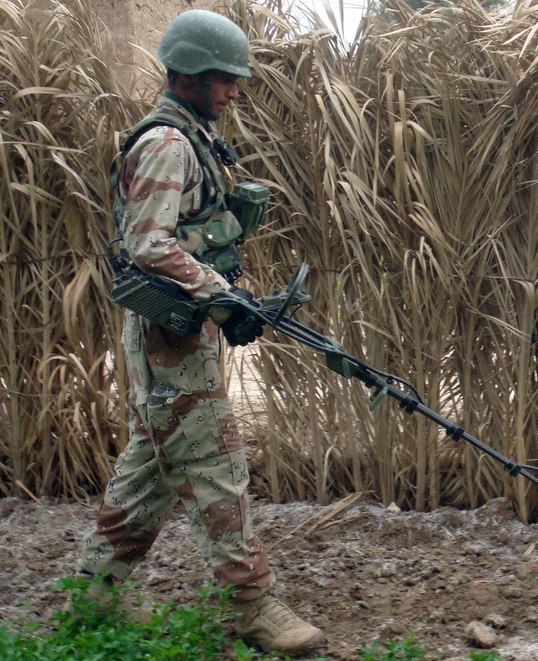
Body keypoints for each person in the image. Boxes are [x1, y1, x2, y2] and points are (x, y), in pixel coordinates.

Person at [76, 10, 324, 656]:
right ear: (188, 74)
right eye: (223, 79)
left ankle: (90, 596)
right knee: (218, 463)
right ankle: (250, 605)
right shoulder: (168, 144)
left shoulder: (195, 138)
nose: (233, 91)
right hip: (171, 345)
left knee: (152, 471)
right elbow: (148, 244)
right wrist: (221, 294)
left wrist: (229, 297)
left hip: (175, 340)